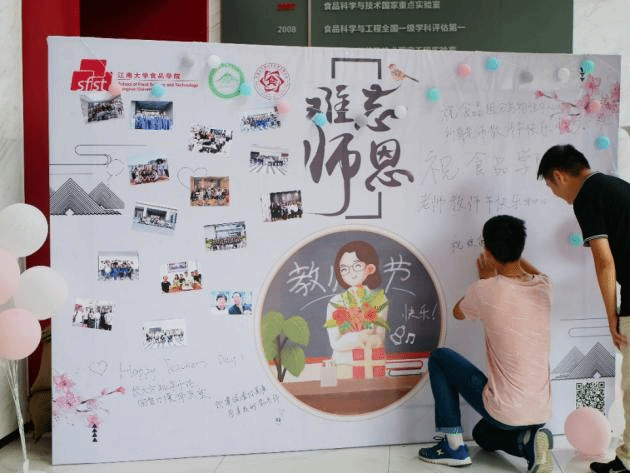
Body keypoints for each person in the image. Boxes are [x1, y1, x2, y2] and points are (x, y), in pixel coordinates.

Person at [418, 215, 554, 473]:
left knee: (439, 357)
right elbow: (531, 271)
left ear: (488, 251)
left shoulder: (485, 290)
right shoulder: (544, 286)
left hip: (505, 410)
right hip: (539, 411)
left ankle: (454, 447)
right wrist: (508, 257)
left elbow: (457, 313)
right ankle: (527, 443)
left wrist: (484, 280)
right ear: (521, 246)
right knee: (482, 435)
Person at [537, 144, 630, 473]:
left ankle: (627, 461)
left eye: (551, 187)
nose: (557, 195)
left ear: (559, 176)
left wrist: (612, 315)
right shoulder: (617, 186)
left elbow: (605, 262)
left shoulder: (588, 196)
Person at [325, 241, 388, 365]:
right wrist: (361, 337)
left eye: (357, 266)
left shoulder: (380, 299)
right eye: (344, 269)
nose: (351, 273)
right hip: (342, 363)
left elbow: (380, 336)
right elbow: (335, 343)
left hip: (371, 362)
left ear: (370, 268)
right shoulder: (335, 302)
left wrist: (374, 340)